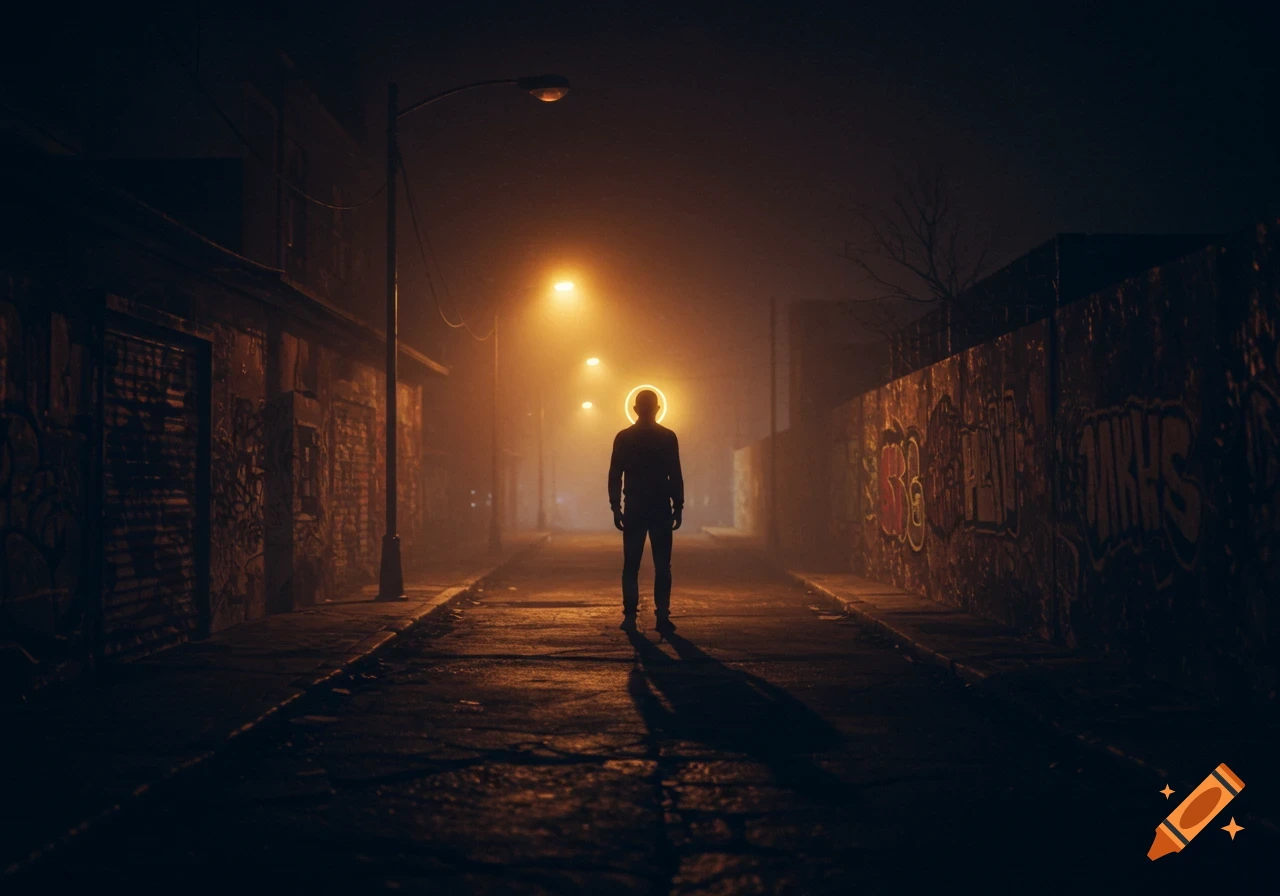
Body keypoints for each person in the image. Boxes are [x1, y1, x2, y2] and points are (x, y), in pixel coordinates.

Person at [608, 389, 684, 633]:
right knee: (663, 566)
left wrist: (616, 507)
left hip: (635, 508)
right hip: (660, 508)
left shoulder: (623, 438)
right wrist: (678, 505)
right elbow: (675, 474)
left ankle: (630, 615)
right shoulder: (667, 437)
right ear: (658, 409)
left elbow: (615, 475)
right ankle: (662, 616)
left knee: (631, 565)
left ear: (635, 410)